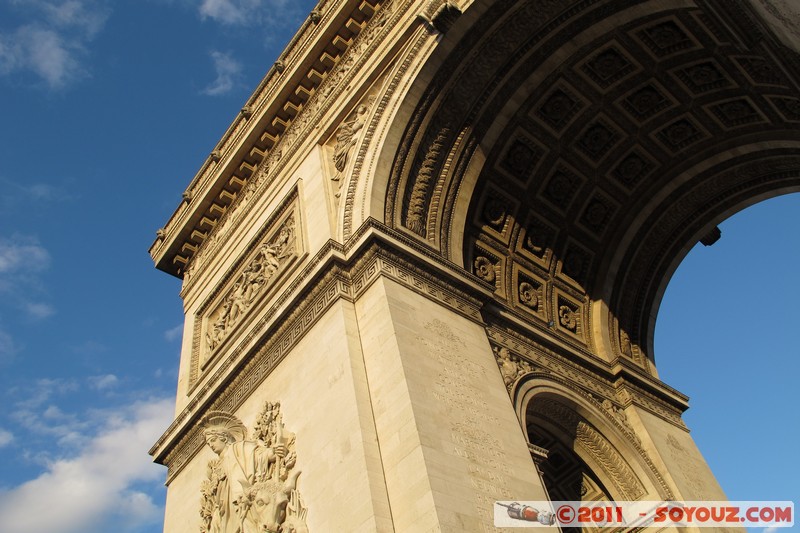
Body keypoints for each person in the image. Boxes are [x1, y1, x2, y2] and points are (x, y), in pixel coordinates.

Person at [201, 412, 285, 533]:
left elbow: (256, 454)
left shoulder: (237, 448)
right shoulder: (218, 466)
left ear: (223, 438)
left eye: (213, 440)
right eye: (209, 443)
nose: (211, 445)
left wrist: (272, 452)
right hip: (225, 508)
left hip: (240, 501)